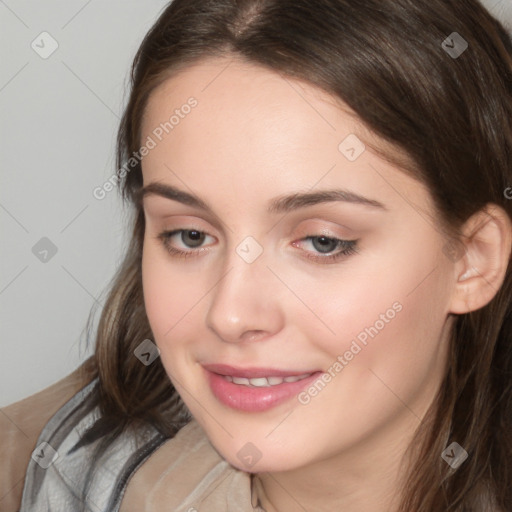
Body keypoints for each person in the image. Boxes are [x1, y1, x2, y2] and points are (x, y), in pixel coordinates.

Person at [2, 0, 512, 510]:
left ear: (473, 259)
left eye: (322, 242)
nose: (230, 315)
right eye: (190, 236)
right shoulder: (64, 475)